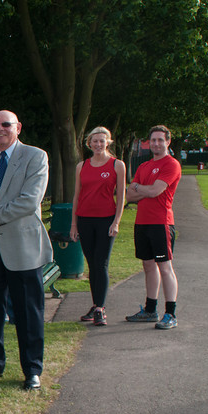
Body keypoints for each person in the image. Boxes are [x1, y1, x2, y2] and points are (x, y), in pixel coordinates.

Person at [0, 110, 52, 390]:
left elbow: (30, 201)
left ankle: (32, 370)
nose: (0, 129)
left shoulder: (35, 156)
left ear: (18, 127)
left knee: (28, 311)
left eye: (6, 124)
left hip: (23, 245)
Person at [124, 125, 181, 329]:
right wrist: (141, 190)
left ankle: (171, 314)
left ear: (168, 142)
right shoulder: (144, 166)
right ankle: (150, 310)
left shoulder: (171, 164)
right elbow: (129, 196)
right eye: (153, 140)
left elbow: (156, 191)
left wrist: (139, 187)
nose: (156, 143)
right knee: (148, 266)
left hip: (161, 222)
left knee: (164, 267)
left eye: (160, 140)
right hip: (142, 222)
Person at [69, 126, 126, 326]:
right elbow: (77, 195)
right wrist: (74, 224)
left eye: (102, 141)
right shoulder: (81, 166)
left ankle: (100, 308)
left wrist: (116, 222)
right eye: (95, 141)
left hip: (106, 220)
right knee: (92, 264)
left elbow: (121, 197)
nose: (98, 144)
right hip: (85, 220)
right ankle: (96, 305)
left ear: (108, 142)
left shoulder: (117, 165)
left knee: (101, 263)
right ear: (89, 143)